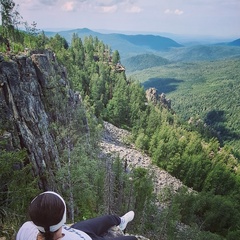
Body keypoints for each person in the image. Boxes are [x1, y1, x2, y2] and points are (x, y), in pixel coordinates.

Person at [16, 191, 137, 240]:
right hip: (79, 234)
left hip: (74, 230)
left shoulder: (25, 229)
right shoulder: (27, 227)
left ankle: (121, 221)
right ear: (63, 218)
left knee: (107, 219)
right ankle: (120, 223)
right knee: (132, 239)